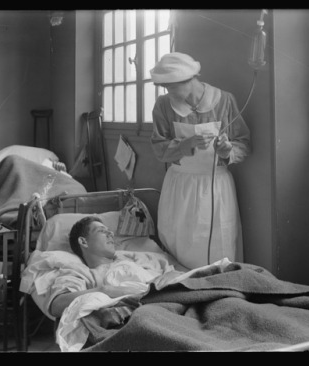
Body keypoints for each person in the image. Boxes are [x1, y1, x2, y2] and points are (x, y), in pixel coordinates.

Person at [150, 52, 251, 270]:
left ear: (189, 80)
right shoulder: (164, 105)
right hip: (180, 185)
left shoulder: (224, 100)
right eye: (166, 88)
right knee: (180, 240)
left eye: (172, 87)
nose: (169, 93)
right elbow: (159, 149)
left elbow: (243, 142)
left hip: (215, 186)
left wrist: (227, 150)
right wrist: (186, 145)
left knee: (218, 242)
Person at [49, 216, 184, 318]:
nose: (111, 234)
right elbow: (57, 305)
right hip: (146, 311)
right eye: (102, 231)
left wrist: (171, 276)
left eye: (109, 231)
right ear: (83, 241)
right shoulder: (82, 272)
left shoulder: (135, 258)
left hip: (174, 298)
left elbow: (176, 273)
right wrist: (105, 290)